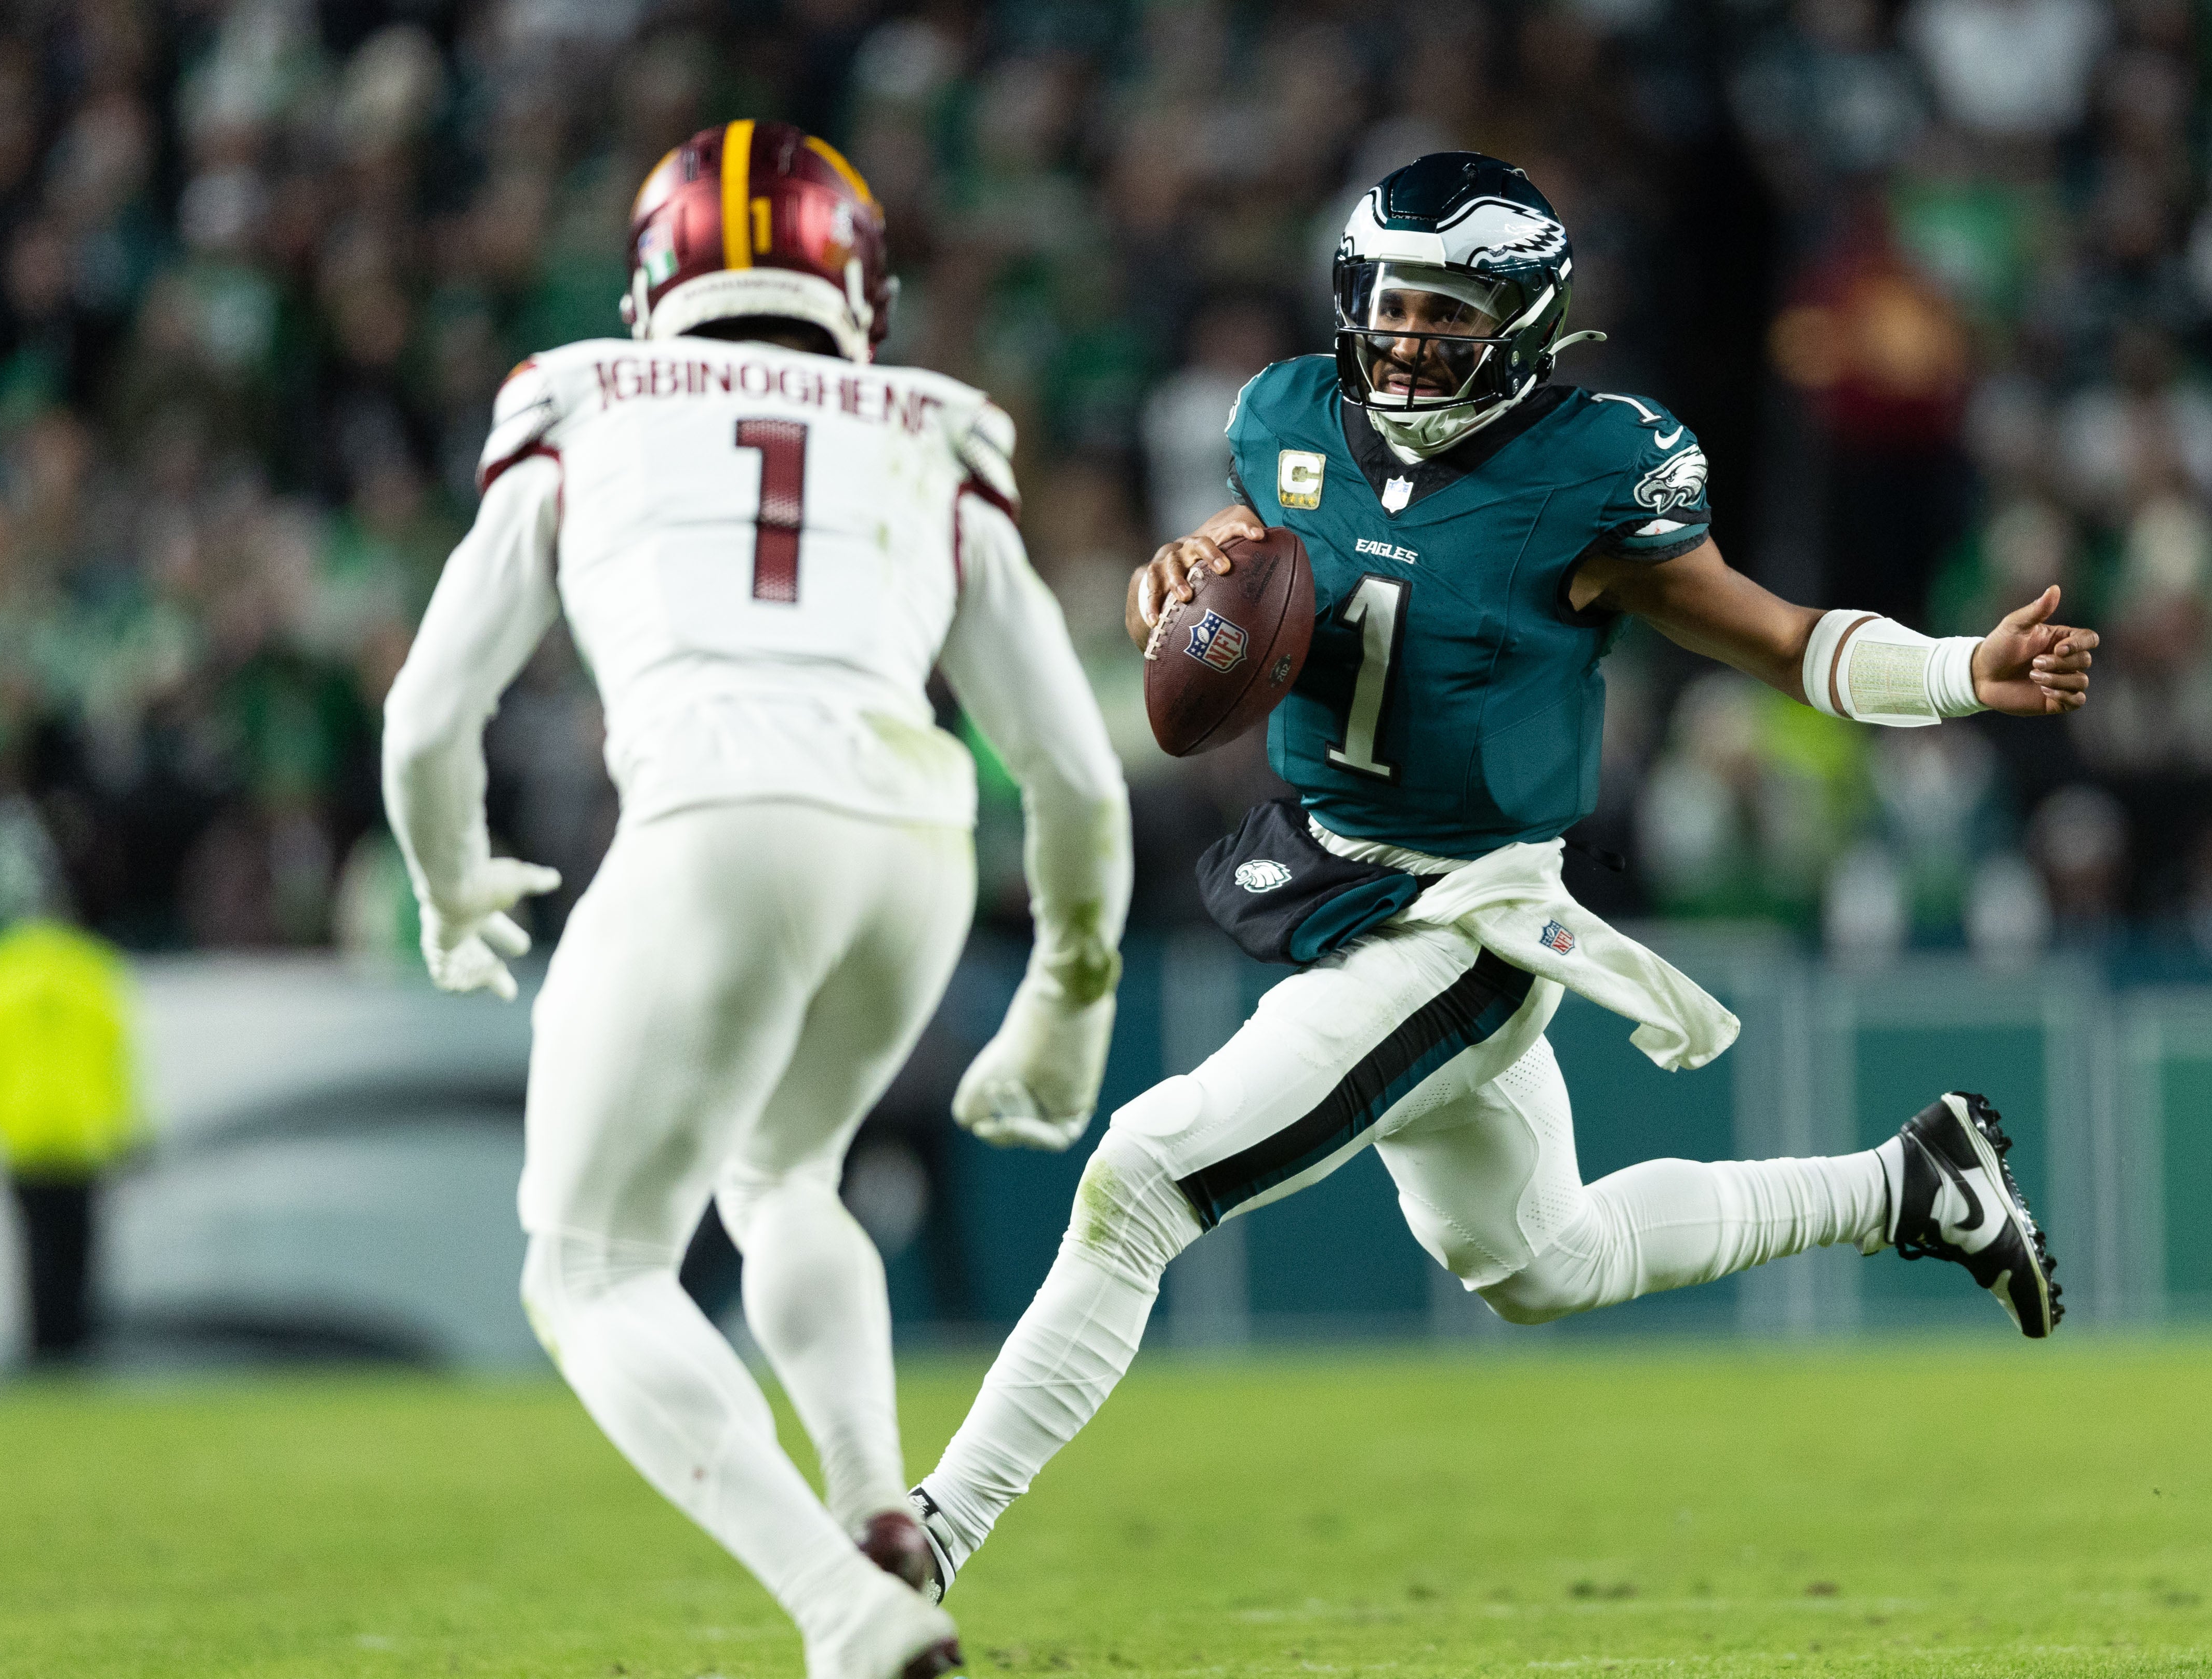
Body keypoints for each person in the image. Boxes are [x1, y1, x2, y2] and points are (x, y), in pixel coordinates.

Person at [903, 154, 2099, 1598]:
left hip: (1461, 917)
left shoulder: (1592, 470)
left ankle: (928, 1536)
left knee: (1141, 1178)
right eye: (1394, 304)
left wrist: (1962, 672)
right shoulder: (1282, 415)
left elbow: (1778, 639)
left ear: (1525, 322)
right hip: (1333, 877)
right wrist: (1187, 570)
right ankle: (1909, 1184)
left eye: (1450, 310)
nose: (1410, 338)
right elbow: (1264, 560)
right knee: (1542, 1260)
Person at [381, 121, 1130, 1679]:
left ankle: (845, 1603)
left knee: (588, 1266)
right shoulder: (932, 424)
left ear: (654, 275)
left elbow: (427, 717)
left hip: (717, 807)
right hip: (911, 834)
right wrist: (1073, 988)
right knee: (786, 1170)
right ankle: (878, 1503)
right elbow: (1071, 771)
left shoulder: (580, 394)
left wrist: (450, 879)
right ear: (857, 281)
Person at [0, 917, 144, 1364]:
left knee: (39, 1255)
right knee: (79, 1253)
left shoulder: (7, 972)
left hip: (29, 1136)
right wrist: (124, 1128)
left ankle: (47, 1350)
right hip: (83, 1137)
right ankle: (77, 1350)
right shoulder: (94, 970)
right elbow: (117, 1058)